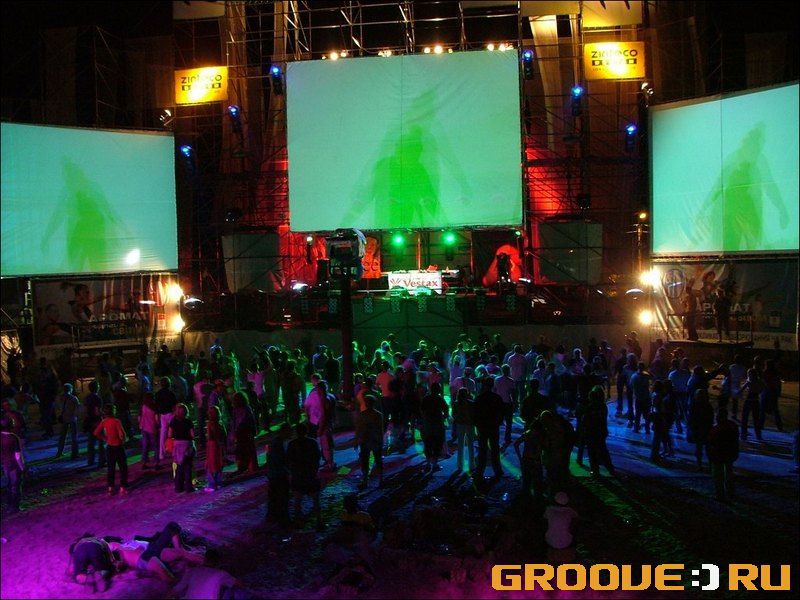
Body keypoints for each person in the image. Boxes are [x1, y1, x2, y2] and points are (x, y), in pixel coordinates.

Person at [287, 423, 323, 530]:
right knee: (316, 500)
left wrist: (293, 472)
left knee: (298, 501)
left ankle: (298, 522)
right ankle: (319, 522)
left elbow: (288, 460)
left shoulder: (292, 444)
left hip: (298, 476)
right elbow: (317, 457)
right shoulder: (312, 442)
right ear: (306, 431)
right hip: (310, 475)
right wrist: (314, 470)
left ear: (296, 432)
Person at [473, 377, 504, 480]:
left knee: (482, 449)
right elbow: (501, 412)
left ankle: (479, 472)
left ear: (484, 385)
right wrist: (498, 422)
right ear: (492, 385)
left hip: (482, 427)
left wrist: (477, 424)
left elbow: (474, 413)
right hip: (493, 426)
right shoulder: (497, 398)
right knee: (495, 449)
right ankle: (498, 470)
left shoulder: (479, 397)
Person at [93, 404, 128, 496]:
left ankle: (110, 488)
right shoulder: (116, 421)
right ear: (113, 411)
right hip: (118, 447)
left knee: (111, 468)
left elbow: (96, 432)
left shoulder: (104, 422)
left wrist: (105, 438)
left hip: (109, 447)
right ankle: (122, 488)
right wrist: (124, 439)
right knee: (123, 468)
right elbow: (121, 434)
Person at [582, 386, 615, 477]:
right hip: (601, 431)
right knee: (603, 451)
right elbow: (603, 420)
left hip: (591, 433)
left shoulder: (589, 407)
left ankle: (595, 470)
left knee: (592, 452)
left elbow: (585, 421)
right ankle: (610, 469)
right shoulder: (603, 406)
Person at [707, 409, 739, 502]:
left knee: (718, 475)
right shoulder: (733, 426)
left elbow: (711, 442)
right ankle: (730, 492)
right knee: (729, 473)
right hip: (729, 454)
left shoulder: (716, 429)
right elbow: (736, 439)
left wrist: (710, 453)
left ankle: (720, 494)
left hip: (718, 455)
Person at [354, 395, 384, 489]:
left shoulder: (362, 414)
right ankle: (381, 480)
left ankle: (365, 481)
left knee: (365, 461)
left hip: (365, 440)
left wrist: (356, 440)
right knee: (377, 460)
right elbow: (380, 430)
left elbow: (359, 429)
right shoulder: (378, 415)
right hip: (374, 440)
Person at [266, 422, 292, 527]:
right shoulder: (278, 443)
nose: (291, 433)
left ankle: (273, 516)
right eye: (289, 431)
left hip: (274, 474)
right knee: (282, 496)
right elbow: (280, 460)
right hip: (278, 474)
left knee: (274, 496)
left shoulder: (276, 442)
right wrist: (287, 470)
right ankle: (282, 518)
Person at [419, 382, 448, 472]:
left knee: (428, 443)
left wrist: (425, 419)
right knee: (437, 444)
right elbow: (446, 411)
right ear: (438, 390)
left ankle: (428, 464)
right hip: (438, 425)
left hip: (427, 424)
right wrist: (442, 418)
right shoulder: (440, 399)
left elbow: (421, 410)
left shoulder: (426, 398)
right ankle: (435, 464)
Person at [168, 404, 196, 493]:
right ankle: (188, 487)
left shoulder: (173, 421)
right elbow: (192, 435)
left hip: (177, 445)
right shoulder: (188, 421)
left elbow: (169, 435)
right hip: (187, 444)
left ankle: (178, 487)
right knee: (188, 467)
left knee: (179, 467)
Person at [544, 492, 578, 564]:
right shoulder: (570, 511)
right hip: (567, 542)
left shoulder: (549, 510)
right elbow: (576, 518)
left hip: (550, 540)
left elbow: (545, 521)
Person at [514, 420, 543, 500]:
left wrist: (520, 457)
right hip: (534, 461)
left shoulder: (527, 434)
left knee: (527, 482)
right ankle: (535, 500)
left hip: (527, 460)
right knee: (536, 482)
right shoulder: (541, 435)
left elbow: (516, 444)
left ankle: (527, 500)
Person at [1, 417, 24, 513]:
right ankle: (15, 507)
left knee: (9, 485)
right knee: (15, 486)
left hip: (5, 464)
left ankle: (9, 506)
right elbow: (17, 455)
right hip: (14, 465)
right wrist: (22, 467)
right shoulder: (13, 437)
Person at [688, 388, 714, 471]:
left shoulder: (694, 406)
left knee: (699, 449)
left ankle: (699, 465)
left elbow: (691, 418)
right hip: (705, 429)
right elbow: (711, 418)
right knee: (707, 449)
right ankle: (710, 466)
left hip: (698, 429)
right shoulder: (708, 406)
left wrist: (692, 429)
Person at [231, 393, 258, 474]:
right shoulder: (246, 408)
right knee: (249, 450)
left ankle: (243, 467)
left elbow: (234, 423)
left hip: (242, 433)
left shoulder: (237, 410)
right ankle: (251, 466)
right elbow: (252, 420)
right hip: (246, 432)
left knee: (242, 451)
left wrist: (234, 433)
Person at [452, 387, 476, 473]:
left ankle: (460, 465)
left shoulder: (456, 403)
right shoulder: (471, 403)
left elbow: (453, 415)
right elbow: (474, 415)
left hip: (460, 424)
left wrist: (458, 419)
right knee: (470, 445)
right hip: (469, 424)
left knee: (460, 444)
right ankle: (472, 465)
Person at [84, 380, 106, 468]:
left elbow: (86, 410)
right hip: (97, 421)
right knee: (101, 442)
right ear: (97, 388)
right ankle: (102, 461)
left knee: (91, 442)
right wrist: (104, 415)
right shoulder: (97, 398)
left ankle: (90, 460)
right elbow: (97, 412)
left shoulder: (87, 398)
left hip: (90, 421)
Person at [155, 377, 178, 462]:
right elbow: (175, 405)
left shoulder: (158, 394)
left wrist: (157, 415)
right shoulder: (171, 393)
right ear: (169, 384)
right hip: (170, 414)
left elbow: (156, 405)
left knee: (163, 434)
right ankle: (174, 451)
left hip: (162, 415)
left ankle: (162, 454)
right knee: (174, 433)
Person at [55, 383, 80, 460]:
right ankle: (74, 453)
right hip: (72, 418)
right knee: (74, 436)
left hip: (64, 418)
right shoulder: (73, 398)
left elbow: (58, 407)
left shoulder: (60, 398)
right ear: (70, 389)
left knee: (62, 436)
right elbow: (78, 408)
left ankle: (59, 452)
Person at [493, 364, 516, 445]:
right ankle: (507, 438)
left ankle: (496, 438)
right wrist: (515, 403)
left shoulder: (497, 379)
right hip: (507, 402)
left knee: (497, 422)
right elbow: (513, 393)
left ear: (502, 370)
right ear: (509, 370)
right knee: (508, 422)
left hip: (499, 403)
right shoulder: (511, 380)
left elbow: (494, 391)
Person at [204, 406, 226, 492]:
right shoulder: (220, 423)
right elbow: (224, 434)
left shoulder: (209, 424)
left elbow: (209, 436)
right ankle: (219, 482)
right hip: (219, 444)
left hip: (212, 444)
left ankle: (212, 484)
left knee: (211, 464)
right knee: (218, 463)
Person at [739, 368, 764, 441]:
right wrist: (758, 391)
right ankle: (758, 435)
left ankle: (743, 435)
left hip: (749, 401)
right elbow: (763, 388)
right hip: (756, 401)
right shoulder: (759, 382)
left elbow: (740, 391)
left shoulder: (749, 382)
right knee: (756, 419)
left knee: (744, 419)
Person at [760, 359, 783, 432]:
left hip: (767, 391)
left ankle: (761, 424)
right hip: (772, 392)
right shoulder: (775, 373)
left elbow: (764, 382)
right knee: (775, 409)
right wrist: (778, 391)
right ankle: (779, 426)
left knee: (763, 409)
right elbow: (778, 383)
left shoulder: (765, 372)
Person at [139, 392, 160, 469]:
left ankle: (144, 463)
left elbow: (139, 418)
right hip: (152, 428)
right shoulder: (154, 406)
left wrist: (140, 425)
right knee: (156, 446)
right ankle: (156, 463)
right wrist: (158, 426)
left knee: (145, 446)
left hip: (144, 428)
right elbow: (157, 419)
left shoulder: (142, 406)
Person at [630, 362, 652, 434]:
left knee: (638, 414)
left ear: (637, 367)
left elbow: (631, 386)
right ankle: (647, 429)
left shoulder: (634, 376)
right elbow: (650, 386)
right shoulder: (647, 376)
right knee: (647, 414)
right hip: (646, 397)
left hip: (638, 397)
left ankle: (636, 428)